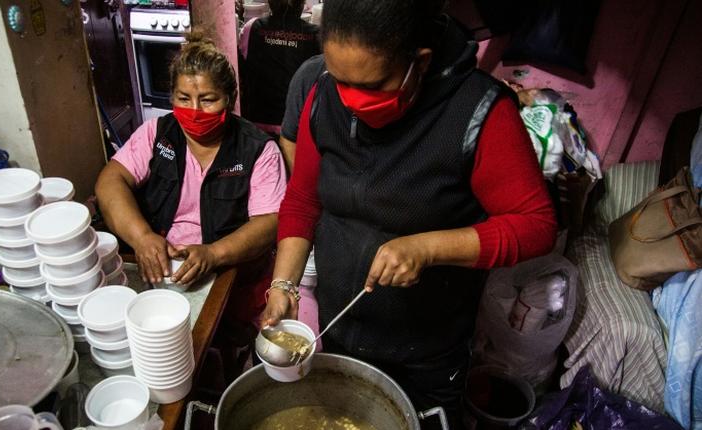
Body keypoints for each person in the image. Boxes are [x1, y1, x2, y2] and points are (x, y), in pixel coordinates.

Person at [260, 0, 557, 427]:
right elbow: (303, 200)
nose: (352, 102)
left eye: (374, 85)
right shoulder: (321, 95)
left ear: (420, 61)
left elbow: (538, 226)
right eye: (341, 81)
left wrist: (428, 247)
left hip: (426, 353)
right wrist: (283, 284)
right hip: (339, 327)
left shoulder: (479, 111)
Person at [95, 32, 287, 329]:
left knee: (214, 342)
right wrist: (142, 237)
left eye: (208, 100)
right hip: (161, 267)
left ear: (230, 99)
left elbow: (270, 221)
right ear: (171, 96)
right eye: (184, 98)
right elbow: (111, 181)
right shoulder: (157, 133)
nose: (195, 111)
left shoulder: (258, 149)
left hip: (228, 273)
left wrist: (213, 253)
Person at [239, 0, 321, 148]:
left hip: (257, 125)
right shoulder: (315, 35)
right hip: (297, 127)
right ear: (302, 5)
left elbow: (243, 67)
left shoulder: (253, 28)